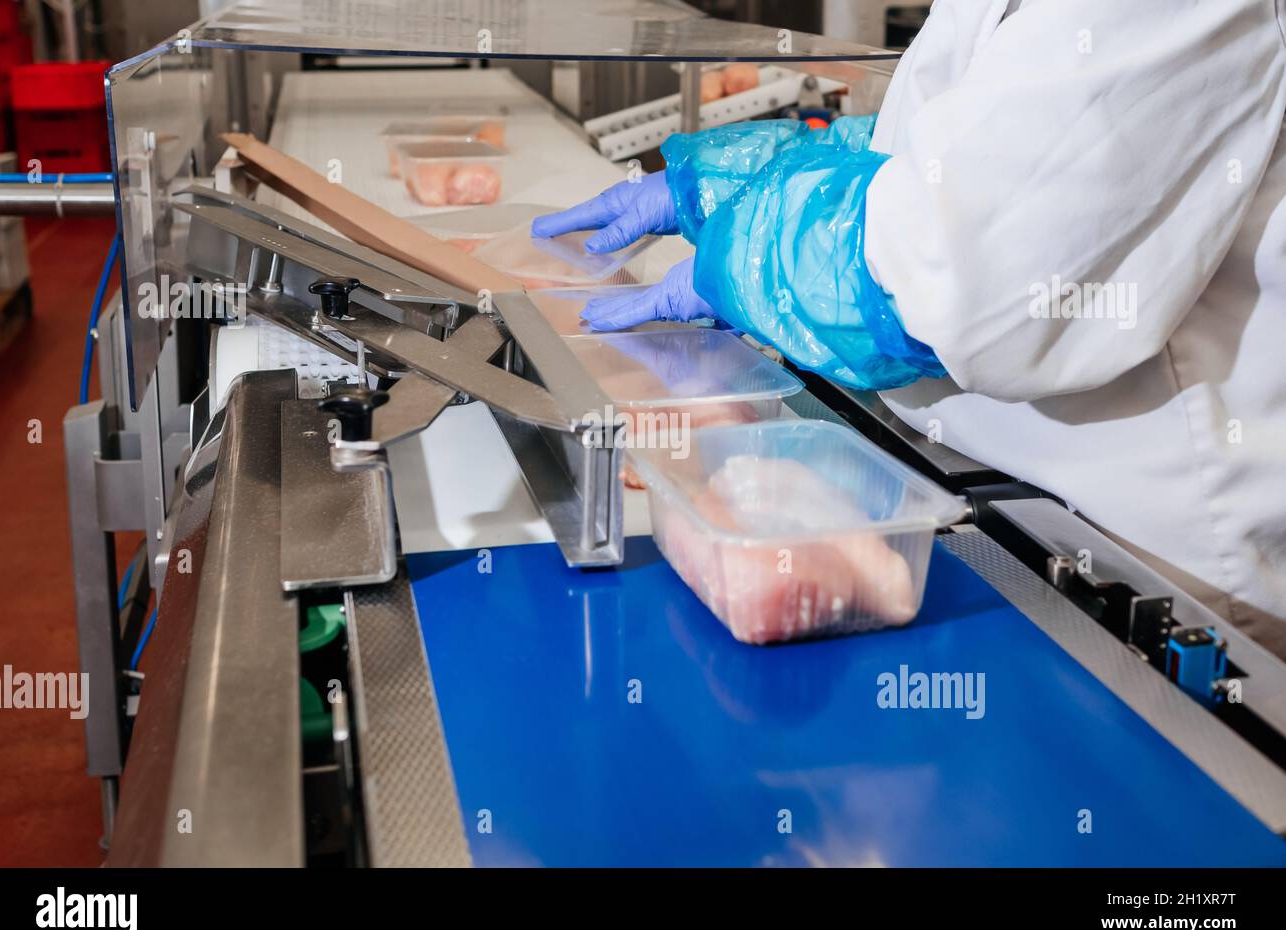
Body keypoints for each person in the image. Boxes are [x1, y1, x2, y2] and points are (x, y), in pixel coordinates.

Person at [533, 0, 1286, 655]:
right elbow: (937, 151)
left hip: (1155, 563)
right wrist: (729, 180)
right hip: (999, 498)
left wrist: (744, 252)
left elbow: (957, 273)